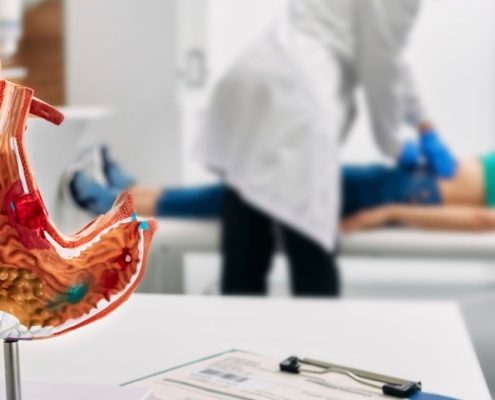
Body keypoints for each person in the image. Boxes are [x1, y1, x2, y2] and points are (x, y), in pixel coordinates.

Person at [192, 0, 456, 296]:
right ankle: (312, 339)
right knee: (310, 256)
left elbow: (387, 52)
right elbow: (382, 60)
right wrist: (394, 145)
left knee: (245, 233)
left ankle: (235, 336)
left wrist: (424, 124)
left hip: (257, 70)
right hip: (298, 92)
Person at [70, 146, 495, 238]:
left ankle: (117, 204)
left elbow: (484, 219)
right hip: (401, 180)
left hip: (400, 195)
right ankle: (136, 191)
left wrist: (389, 213)